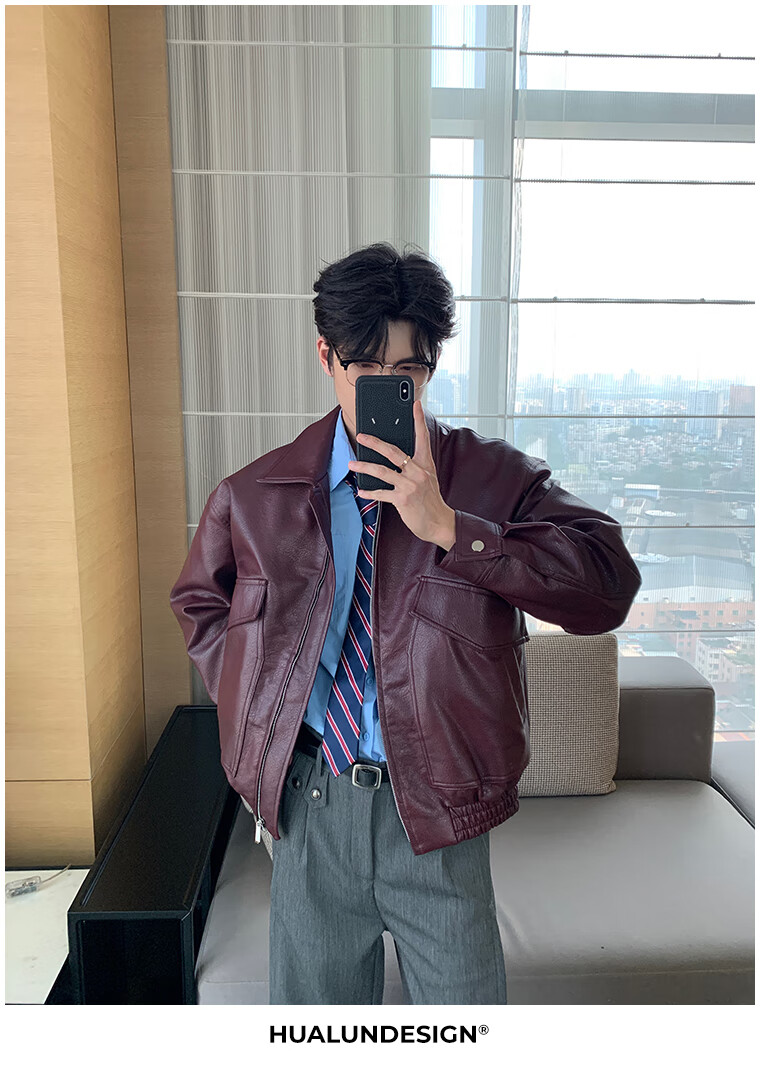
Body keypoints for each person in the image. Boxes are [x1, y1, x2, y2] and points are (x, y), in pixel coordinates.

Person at [170, 242, 642, 1005]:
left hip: (441, 812)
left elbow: (608, 584)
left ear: (430, 368)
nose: (385, 388)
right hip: (313, 804)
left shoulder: (492, 480)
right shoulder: (256, 494)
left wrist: (452, 527)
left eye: (407, 373)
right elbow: (200, 602)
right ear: (325, 355)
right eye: (364, 367)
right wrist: (259, 707)